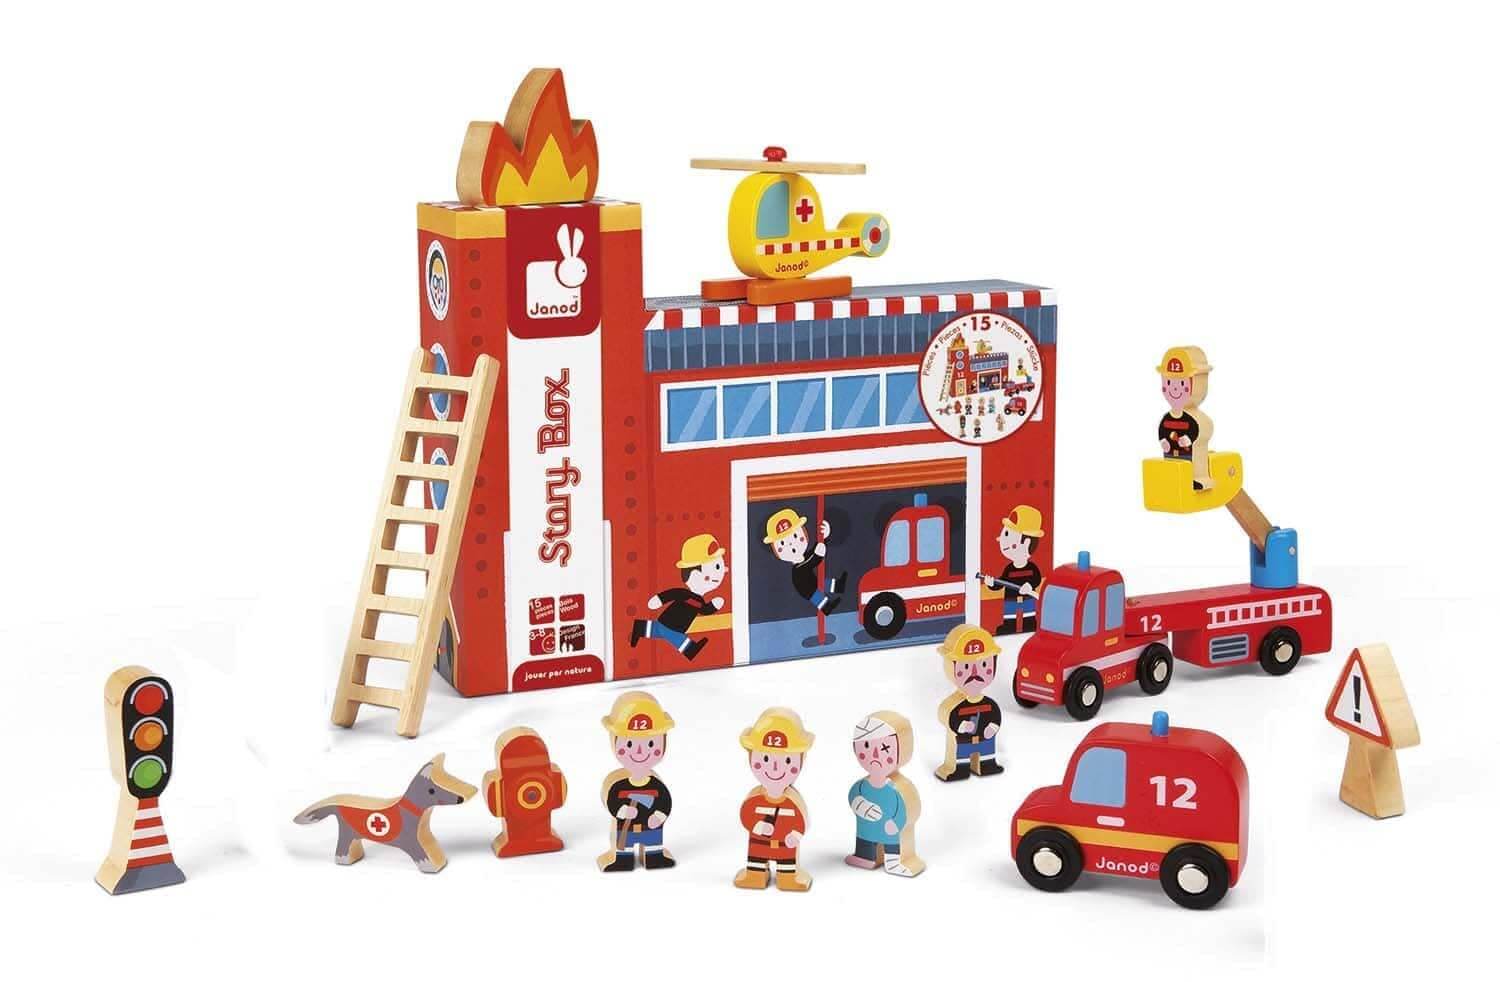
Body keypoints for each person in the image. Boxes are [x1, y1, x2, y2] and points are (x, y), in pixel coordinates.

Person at [734, 708, 815, 892]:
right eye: (765, 758)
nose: (776, 768)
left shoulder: (791, 802)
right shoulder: (756, 800)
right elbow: (746, 815)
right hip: (759, 844)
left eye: (788, 761)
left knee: (787, 867)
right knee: (756, 863)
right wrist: (758, 826)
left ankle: (788, 878)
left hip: (785, 846)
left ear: (802, 758)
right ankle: (755, 876)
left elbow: (801, 822)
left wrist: (795, 836)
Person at [597, 692, 676, 872]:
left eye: (651, 744)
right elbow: (612, 801)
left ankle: (654, 857)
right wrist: (622, 811)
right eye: (629, 744)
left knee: (653, 846)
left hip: (651, 826)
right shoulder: (618, 785)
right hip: (626, 828)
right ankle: (621, 859)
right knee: (623, 848)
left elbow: (664, 802)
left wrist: (659, 816)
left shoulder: (656, 785)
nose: (640, 752)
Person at [845, 712, 925, 877]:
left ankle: (896, 862)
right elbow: (853, 795)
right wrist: (859, 803)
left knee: (892, 845)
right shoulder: (862, 785)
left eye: (884, 748)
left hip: (890, 832)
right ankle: (864, 857)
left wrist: (896, 823)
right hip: (866, 830)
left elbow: (906, 810)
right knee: (865, 842)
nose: (874, 755)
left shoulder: (898, 788)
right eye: (866, 746)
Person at [629, 533, 726, 660]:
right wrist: (659, 599)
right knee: (676, 637)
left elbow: (704, 610)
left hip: (669, 623)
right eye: (717, 567)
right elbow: (671, 594)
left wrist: (714, 605)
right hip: (672, 624)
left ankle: (639, 627)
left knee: (657, 630)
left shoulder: (699, 600)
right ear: (695, 573)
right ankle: (690, 649)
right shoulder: (684, 594)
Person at [935, 624, 1005, 781]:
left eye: (984, 664)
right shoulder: (955, 705)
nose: (974, 673)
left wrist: (992, 727)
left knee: (987, 756)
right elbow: (948, 717)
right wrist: (961, 727)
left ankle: (987, 766)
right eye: (966, 666)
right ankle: (958, 769)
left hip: (986, 740)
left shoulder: (990, 704)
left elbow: (995, 717)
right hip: (963, 740)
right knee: (961, 758)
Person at [763, 508, 845, 614]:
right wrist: (818, 553)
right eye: (782, 543)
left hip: (810, 580)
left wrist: (823, 539)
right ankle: (827, 607)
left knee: (819, 583)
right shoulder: (799, 568)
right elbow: (812, 561)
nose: (791, 544)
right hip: (803, 586)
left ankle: (838, 586)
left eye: (795, 536)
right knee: (815, 593)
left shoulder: (804, 557)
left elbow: (812, 555)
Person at [981, 505, 1047, 635]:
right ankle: (1008, 626)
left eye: (1007, 534)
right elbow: (1002, 581)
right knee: (1009, 617)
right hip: (1010, 600)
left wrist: (1029, 586)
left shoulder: (1032, 568)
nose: (1001, 540)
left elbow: (1036, 579)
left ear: (1026, 543)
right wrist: (991, 584)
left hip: (1028, 599)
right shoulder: (1009, 568)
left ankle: (1030, 625)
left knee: (1029, 618)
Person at [1157, 346, 1215, 491]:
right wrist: (1164, 441)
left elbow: (1200, 430)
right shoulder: (1167, 417)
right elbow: (1163, 432)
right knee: (1172, 468)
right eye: (1168, 383)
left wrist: (1189, 439)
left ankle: (1198, 477)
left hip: (1190, 455)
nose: (1174, 389)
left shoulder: (1196, 419)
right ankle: (1172, 479)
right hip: (1171, 456)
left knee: (1194, 461)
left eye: (1182, 383)